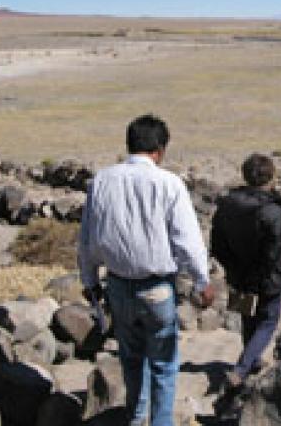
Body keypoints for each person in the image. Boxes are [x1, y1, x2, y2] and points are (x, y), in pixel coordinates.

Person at [78, 114, 215, 426]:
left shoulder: (101, 181)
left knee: (131, 358)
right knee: (164, 365)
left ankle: (136, 417)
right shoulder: (168, 184)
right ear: (160, 149)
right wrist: (202, 280)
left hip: (117, 286)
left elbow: (86, 239)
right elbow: (187, 240)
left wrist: (88, 279)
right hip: (156, 289)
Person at [210, 154, 281, 403]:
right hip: (266, 278)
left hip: (238, 274)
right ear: (270, 177)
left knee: (247, 317)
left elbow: (218, 244)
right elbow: (277, 252)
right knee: (268, 320)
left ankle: (253, 360)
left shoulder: (227, 205)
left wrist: (232, 268)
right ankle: (242, 368)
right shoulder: (272, 212)